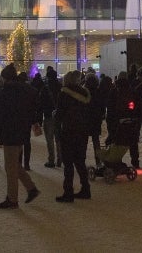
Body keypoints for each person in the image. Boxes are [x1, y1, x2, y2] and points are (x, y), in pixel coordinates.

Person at [0, 63, 40, 209]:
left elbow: (0, 114)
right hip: (21, 131)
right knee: (14, 163)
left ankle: (12, 199)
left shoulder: (7, 92)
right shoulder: (25, 90)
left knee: (10, 167)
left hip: (10, 132)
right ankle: (31, 188)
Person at [54, 70, 91, 202]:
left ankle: (68, 191)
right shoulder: (85, 94)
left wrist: (57, 130)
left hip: (69, 131)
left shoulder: (64, 94)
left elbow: (59, 114)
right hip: (82, 132)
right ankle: (86, 188)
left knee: (68, 163)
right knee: (80, 161)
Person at [83, 72, 105, 167]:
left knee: (83, 141)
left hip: (85, 119)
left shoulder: (84, 91)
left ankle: (82, 161)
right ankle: (98, 161)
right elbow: (102, 106)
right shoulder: (99, 91)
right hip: (96, 119)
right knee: (96, 141)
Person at [44, 67, 62, 167]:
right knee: (58, 139)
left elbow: (41, 102)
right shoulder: (61, 87)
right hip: (58, 116)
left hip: (48, 116)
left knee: (49, 140)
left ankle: (51, 159)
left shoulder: (45, 88)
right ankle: (60, 158)